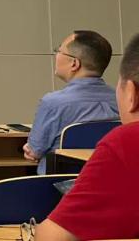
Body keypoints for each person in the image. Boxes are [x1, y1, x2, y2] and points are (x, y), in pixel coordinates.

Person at [37, 32, 139, 241]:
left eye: (58, 51)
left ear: (131, 93)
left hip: (57, 200)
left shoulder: (126, 141)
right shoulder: (111, 102)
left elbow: (51, 237)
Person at [24, 30, 118, 173]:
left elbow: (34, 152)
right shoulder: (122, 100)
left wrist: (30, 149)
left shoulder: (53, 103)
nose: (56, 55)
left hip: (62, 184)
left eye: (59, 51)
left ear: (74, 63)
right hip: (109, 180)